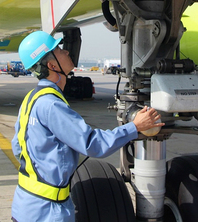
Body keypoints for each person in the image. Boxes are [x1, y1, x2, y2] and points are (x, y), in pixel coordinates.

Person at [11, 31, 164, 222]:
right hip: (48, 211)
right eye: (58, 49)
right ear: (51, 65)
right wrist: (134, 127)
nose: (66, 52)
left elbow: (18, 147)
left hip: (26, 205)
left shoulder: (32, 99)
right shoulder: (52, 105)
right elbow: (94, 144)